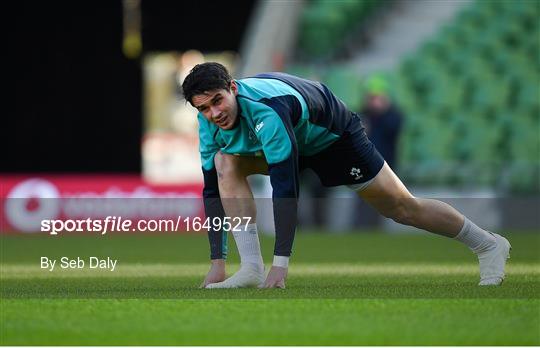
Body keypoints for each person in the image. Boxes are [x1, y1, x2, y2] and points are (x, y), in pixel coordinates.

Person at [181, 62, 511, 289]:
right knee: (225, 163)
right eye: (204, 109)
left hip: (334, 138)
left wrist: (280, 265)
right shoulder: (208, 123)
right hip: (289, 140)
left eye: (218, 101)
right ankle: (250, 267)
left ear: (233, 88)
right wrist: (217, 260)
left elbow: (285, 188)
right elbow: (211, 191)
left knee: (402, 209)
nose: (214, 113)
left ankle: (487, 245)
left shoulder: (268, 109)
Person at [361, 75, 403, 170]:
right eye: (371, 98)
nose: (374, 102)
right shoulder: (362, 115)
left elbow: (393, 128)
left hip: (387, 166)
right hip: (366, 166)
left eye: (377, 98)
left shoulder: (394, 115)